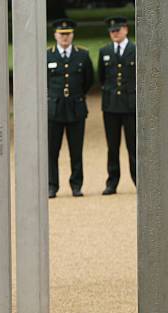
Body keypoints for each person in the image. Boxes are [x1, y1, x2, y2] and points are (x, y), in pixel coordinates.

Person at [47, 18, 94, 198]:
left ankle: (76, 184)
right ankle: (52, 185)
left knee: (76, 149)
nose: (65, 38)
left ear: (73, 35)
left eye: (68, 34)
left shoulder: (82, 55)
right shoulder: (48, 55)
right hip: (55, 110)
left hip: (76, 109)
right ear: (55, 35)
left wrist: (77, 95)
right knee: (52, 150)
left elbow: (88, 80)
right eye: (61, 34)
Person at [98, 16, 137, 195]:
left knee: (134, 146)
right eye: (112, 31)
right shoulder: (104, 51)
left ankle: (139, 180)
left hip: (130, 106)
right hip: (111, 106)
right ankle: (112, 182)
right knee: (112, 146)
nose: (115, 33)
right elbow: (101, 78)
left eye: (118, 30)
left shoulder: (135, 50)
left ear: (126, 30)